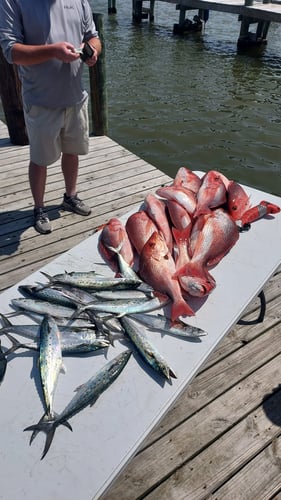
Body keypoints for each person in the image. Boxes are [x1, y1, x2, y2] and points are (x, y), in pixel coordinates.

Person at [0, 0, 102, 234]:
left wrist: (93, 50)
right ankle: (39, 208)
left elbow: (92, 36)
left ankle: (70, 196)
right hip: (40, 100)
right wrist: (53, 51)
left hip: (75, 96)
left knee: (72, 151)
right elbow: (11, 51)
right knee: (40, 159)